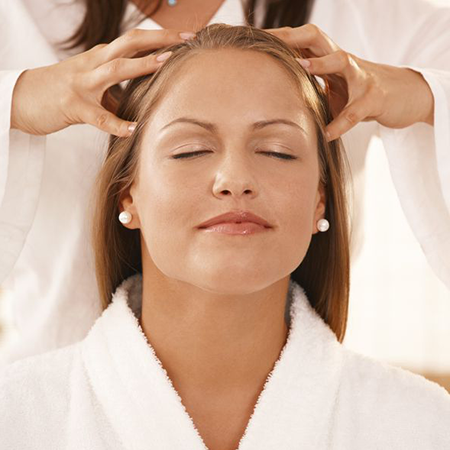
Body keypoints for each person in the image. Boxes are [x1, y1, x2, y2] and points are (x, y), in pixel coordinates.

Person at [1, 25, 449, 449]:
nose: (235, 179)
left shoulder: (422, 425)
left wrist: (424, 93)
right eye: (190, 150)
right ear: (128, 195)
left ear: (320, 200)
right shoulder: (17, 417)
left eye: (277, 151)